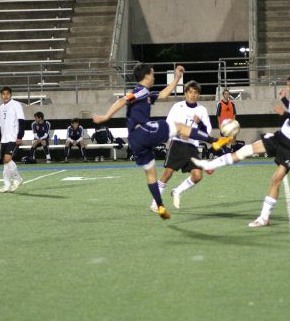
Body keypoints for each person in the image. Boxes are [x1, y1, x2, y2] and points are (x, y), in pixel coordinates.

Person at [92, 64, 231, 221]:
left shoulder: (147, 94)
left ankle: (159, 205)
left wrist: (177, 78)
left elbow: (164, 94)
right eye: (153, 74)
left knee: (151, 174)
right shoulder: (141, 90)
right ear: (146, 76)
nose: (154, 77)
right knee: (179, 128)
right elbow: (122, 100)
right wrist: (105, 117)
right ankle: (214, 141)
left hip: (135, 140)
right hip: (144, 131)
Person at [190, 72, 290, 227]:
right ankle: (211, 165)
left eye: (289, 86)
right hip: (282, 136)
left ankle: (264, 218)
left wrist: (285, 114)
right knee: (248, 149)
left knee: (276, 179)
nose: (288, 89)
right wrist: (284, 100)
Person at [149, 80, 213, 212]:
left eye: (195, 92)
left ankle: (176, 191)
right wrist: (179, 132)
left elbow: (208, 132)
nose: (192, 95)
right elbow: (168, 124)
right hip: (177, 144)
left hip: (192, 147)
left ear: (198, 95)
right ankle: (155, 202)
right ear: (185, 93)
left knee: (197, 176)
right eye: (190, 92)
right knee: (167, 173)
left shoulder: (202, 110)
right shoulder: (178, 107)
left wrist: (199, 124)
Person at [0, 86, 25, 192]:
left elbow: (21, 121)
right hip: (4, 139)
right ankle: (7, 185)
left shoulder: (16, 105)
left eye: (7, 93)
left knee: (7, 159)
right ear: (1, 96)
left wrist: (20, 136)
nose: (5, 96)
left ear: (11, 95)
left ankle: (18, 179)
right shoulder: (0, 108)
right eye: (3, 94)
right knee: (5, 163)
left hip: (13, 137)